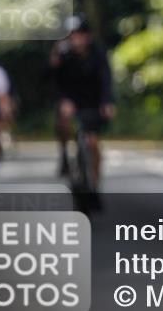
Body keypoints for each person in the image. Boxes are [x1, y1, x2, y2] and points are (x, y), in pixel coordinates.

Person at [49, 14, 115, 187]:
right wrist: (64, 100)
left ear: (87, 36)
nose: (76, 39)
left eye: (79, 34)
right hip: (70, 100)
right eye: (72, 35)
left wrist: (107, 102)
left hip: (93, 101)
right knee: (63, 123)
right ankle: (66, 155)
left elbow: (106, 78)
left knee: (93, 142)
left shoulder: (98, 53)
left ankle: (95, 179)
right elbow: (55, 81)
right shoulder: (62, 54)